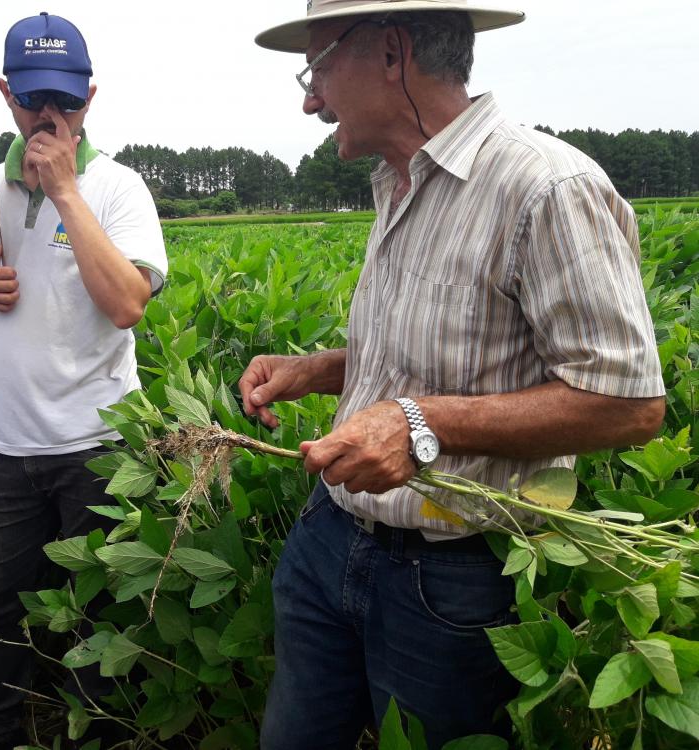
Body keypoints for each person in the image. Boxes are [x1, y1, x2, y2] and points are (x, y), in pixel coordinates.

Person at [243, 2, 666, 748]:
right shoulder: (399, 183)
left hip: (453, 576)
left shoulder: (546, 187)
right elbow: (444, 354)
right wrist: (319, 371)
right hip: (329, 537)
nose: (310, 98)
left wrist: (420, 423)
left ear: (392, 53)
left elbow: (627, 404)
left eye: (316, 69)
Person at [0, 12, 168, 749]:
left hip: (101, 450)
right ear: (6, 93)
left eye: (66, 102)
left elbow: (129, 303)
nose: (49, 117)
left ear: (90, 97)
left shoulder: (118, 187)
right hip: (5, 447)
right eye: (33, 99)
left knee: (101, 618)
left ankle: (94, 736)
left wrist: (67, 191)